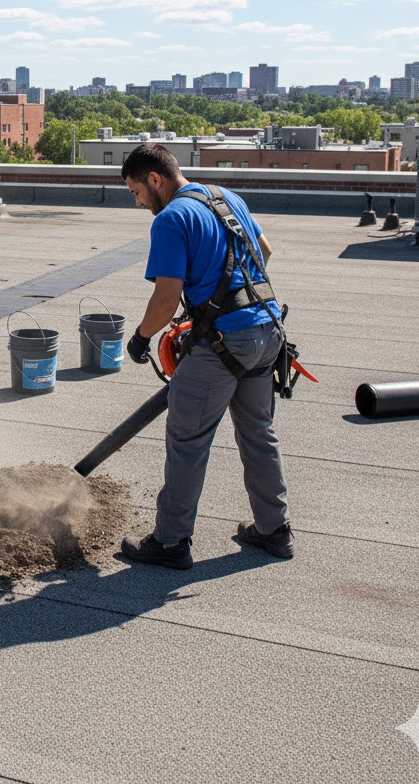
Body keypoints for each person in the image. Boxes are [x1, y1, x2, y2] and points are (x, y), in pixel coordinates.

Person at [118, 143, 293, 569]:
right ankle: (275, 529)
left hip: (223, 344)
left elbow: (166, 298)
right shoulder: (224, 197)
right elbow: (265, 252)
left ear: (155, 179)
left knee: (187, 441)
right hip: (267, 332)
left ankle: (170, 541)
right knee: (258, 434)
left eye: (136, 192)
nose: (138, 202)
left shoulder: (171, 218)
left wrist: (141, 338)